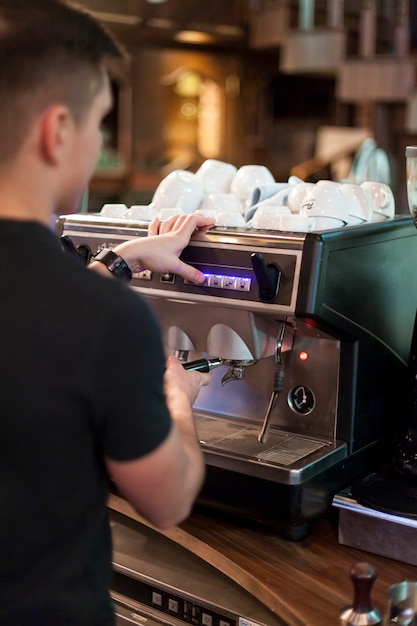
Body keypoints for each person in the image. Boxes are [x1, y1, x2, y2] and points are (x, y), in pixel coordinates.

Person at [0, 1, 215, 624]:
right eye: (101, 122)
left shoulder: (80, 307)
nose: (99, 144)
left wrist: (120, 260)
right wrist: (177, 395)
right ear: (56, 129)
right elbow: (168, 499)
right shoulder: (105, 323)